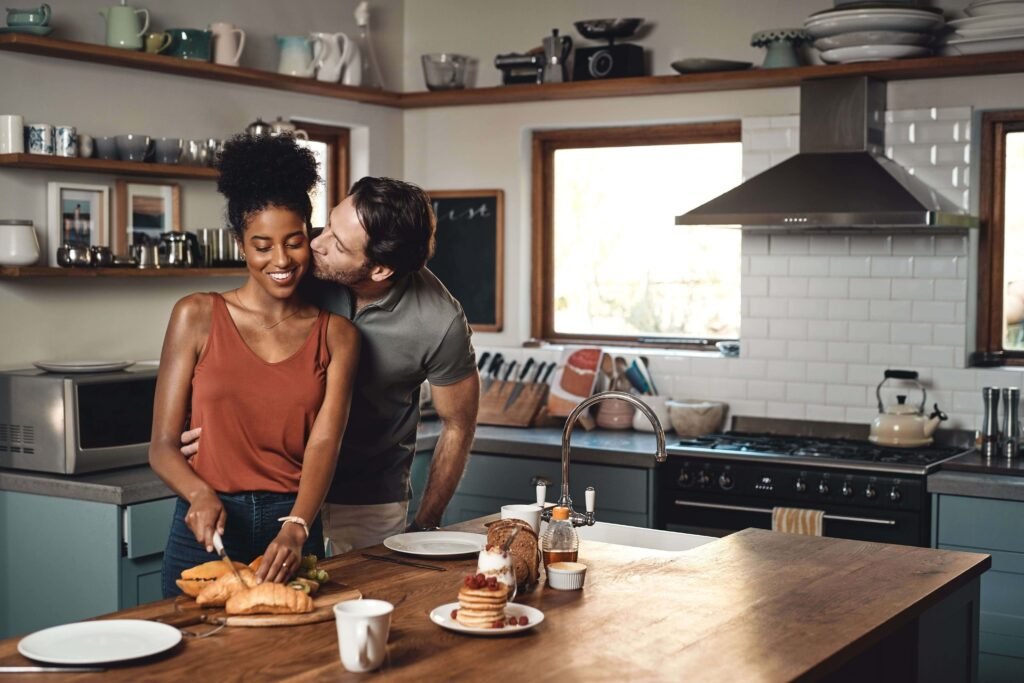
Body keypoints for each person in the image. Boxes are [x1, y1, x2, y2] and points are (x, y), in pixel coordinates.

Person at [183, 176, 479, 554]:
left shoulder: (440, 322)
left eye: (336, 244)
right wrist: (194, 426)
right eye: (328, 223)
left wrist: (426, 523)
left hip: (368, 500)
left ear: (379, 270)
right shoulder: (298, 262)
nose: (315, 242)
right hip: (279, 488)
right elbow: (231, 343)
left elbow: (458, 422)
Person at [150, 134, 359, 597]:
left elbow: (324, 444)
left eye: (294, 242)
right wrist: (200, 494)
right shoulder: (196, 315)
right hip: (206, 524)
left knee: (290, 662)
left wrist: (299, 525)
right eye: (262, 246)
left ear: (311, 236)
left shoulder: (339, 336)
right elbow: (162, 446)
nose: (281, 260)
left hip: (290, 528)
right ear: (241, 245)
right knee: (192, 663)